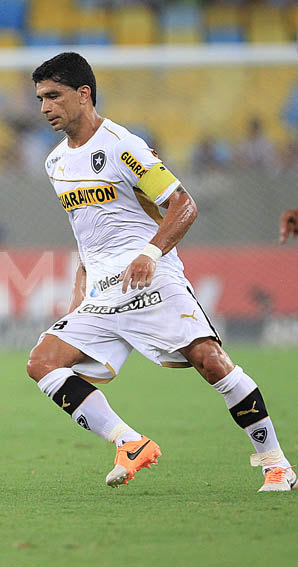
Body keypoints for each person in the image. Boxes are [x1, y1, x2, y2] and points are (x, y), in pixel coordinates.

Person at [27, 52, 294, 492]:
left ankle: (276, 463)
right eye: (40, 98)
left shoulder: (122, 145)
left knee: (211, 362)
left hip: (150, 278)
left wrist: (150, 253)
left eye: (53, 96)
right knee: (43, 363)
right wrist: (78, 297)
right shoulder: (55, 163)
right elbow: (86, 235)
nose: (44, 108)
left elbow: (183, 204)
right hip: (103, 292)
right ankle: (129, 442)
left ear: (83, 93)